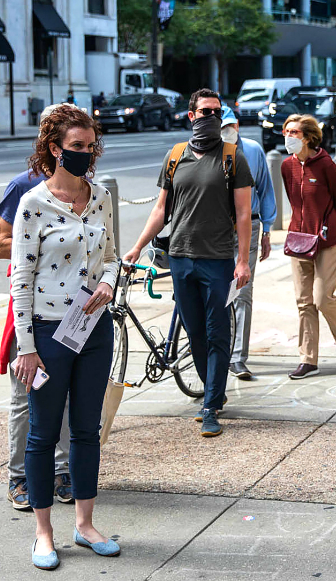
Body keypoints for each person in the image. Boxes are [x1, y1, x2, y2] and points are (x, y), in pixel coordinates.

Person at [10, 104, 120, 569]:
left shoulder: (101, 197)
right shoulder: (33, 204)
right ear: (54, 149)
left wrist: (109, 282)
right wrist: (27, 348)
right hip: (50, 333)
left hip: (94, 329)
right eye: (77, 146)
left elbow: (112, 255)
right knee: (41, 433)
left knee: (87, 431)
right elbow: (21, 278)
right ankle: (43, 533)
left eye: (91, 145)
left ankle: (86, 524)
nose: (86, 153)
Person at [123, 88, 254, 437]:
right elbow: (160, 209)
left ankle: (210, 404)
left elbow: (243, 214)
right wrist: (137, 247)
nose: (210, 117)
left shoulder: (232, 157)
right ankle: (214, 388)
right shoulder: (175, 155)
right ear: (191, 115)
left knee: (216, 332)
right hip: (180, 257)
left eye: (216, 112)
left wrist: (243, 261)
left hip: (218, 259)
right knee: (195, 331)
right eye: (204, 111)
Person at [0, 108, 71, 513]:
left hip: (71, 311)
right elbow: (0, 244)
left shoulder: (84, 185)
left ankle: (61, 472)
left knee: (65, 398)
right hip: (29, 307)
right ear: (49, 140)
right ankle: (18, 477)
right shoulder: (23, 186)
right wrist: (37, 244)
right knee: (27, 394)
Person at [280, 114, 336, 378]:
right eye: (286, 131)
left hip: (327, 240)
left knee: (323, 298)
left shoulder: (326, 166)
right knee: (304, 302)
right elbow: (293, 200)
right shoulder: (287, 166)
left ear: (309, 137)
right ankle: (308, 359)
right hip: (299, 240)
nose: (288, 136)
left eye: (294, 133)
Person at [220, 106, 276, 380]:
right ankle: (222, 350)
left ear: (238, 125)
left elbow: (265, 189)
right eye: (221, 126)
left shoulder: (253, 150)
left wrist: (268, 230)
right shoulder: (209, 151)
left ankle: (238, 357)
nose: (226, 131)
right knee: (219, 291)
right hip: (217, 228)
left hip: (249, 226)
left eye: (230, 125)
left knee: (242, 291)